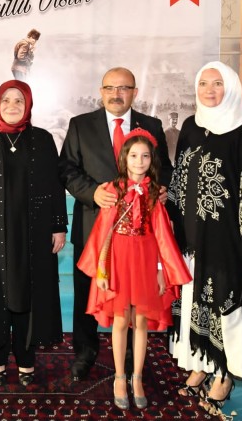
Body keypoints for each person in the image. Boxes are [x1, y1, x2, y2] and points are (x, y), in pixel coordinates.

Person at [166, 62, 242, 416]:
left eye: (217, 83)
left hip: (228, 238)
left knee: (225, 306)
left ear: (230, 87)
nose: (209, 90)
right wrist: (170, 226)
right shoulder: (191, 125)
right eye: (203, 83)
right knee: (195, 301)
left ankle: (225, 376)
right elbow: (179, 178)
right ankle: (201, 363)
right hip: (192, 237)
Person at [59, 66, 173, 381]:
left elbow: (164, 168)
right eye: (110, 88)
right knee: (87, 293)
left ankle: (130, 357)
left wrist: (161, 187)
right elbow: (66, 168)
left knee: (134, 296)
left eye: (123, 88)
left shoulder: (152, 125)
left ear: (134, 92)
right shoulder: (81, 125)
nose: (116, 94)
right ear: (101, 91)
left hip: (139, 236)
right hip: (94, 226)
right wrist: (92, 192)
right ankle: (85, 353)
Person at [77, 129, 191, 409]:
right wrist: (102, 271)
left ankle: (137, 377)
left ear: (152, 160)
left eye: (145, 156)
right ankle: (119, 377)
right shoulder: (113, 189)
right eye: (134, 156)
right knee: (120, 320)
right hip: (118, 261)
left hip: (145, 261)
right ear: (124, 159)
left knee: (141, 321)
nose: (139, 162)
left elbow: (162, 235)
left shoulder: (155, 193)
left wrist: (161, 270)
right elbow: (102, 232)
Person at [0, 79, 66, 387]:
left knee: (28, 294)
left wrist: (58, 226)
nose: (11, 106)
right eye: (6, 100)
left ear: (28, 105)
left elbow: (55, 186)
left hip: (33, 232)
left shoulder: (43, 139)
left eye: (18, 100)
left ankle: (25, 359)